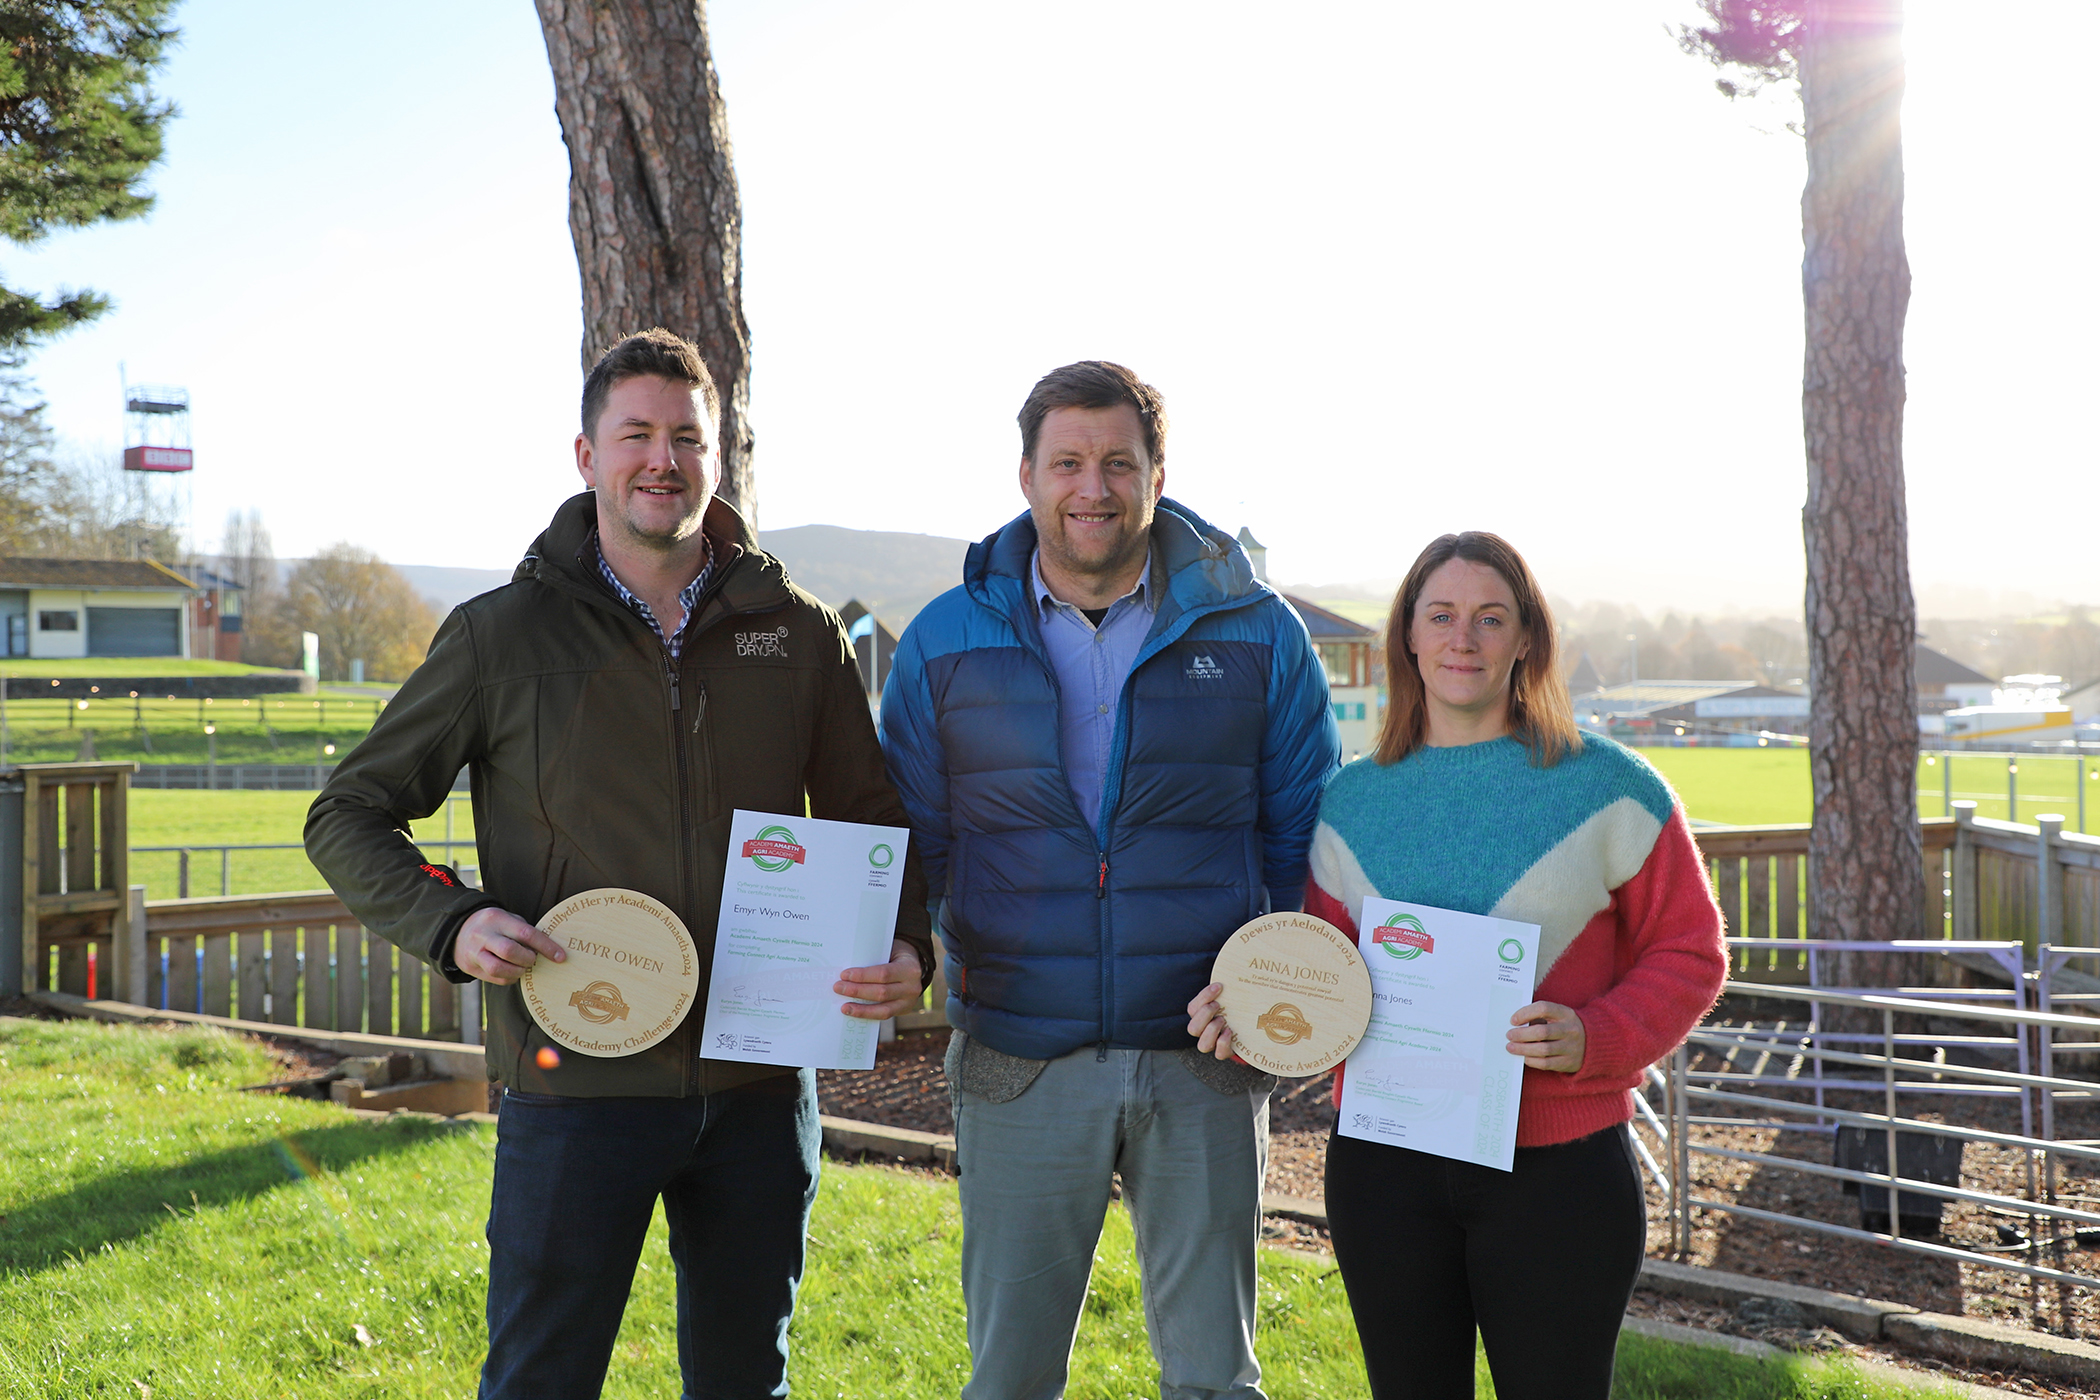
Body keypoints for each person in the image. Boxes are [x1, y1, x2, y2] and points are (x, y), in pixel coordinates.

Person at [304, 327, 933, 1400]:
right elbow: (349, 812)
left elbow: (876, 815)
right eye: (634, 433)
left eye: (687, 436)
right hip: (575, 1078)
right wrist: (451, 921)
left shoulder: (800, 631)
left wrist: (908, 943)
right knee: (543, 1378)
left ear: (719, 455)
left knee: (746, 1376)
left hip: (759, 1087)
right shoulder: (501, 636)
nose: (662, 458)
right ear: (585, 454)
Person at [879, 360, 1340, 1400]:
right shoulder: (947, 639)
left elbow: (1304, 837)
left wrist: (1276, 996)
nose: (1094, 486)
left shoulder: (1259, 631)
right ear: (1027, 475)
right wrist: (911, 951)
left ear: (1159, 473)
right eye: (1069, 462)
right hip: (1019, 1055)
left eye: (1119, 462)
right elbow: (914, 839)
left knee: (1217, 1378)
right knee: (1009, 1377)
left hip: (1205, 1055)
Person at [1189, 530, 1725, 1400]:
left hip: (1560, 1172)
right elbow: (1322, 983)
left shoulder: (1612, 788)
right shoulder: (1348, 801)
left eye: (1489, 617)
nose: (1462, 638)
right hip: (1384, 1168)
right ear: (1407, 635)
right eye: (1440, 615)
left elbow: (1691, 949)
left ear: (1527, 639)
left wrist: (1600, 1034)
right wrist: (1250, 1021)